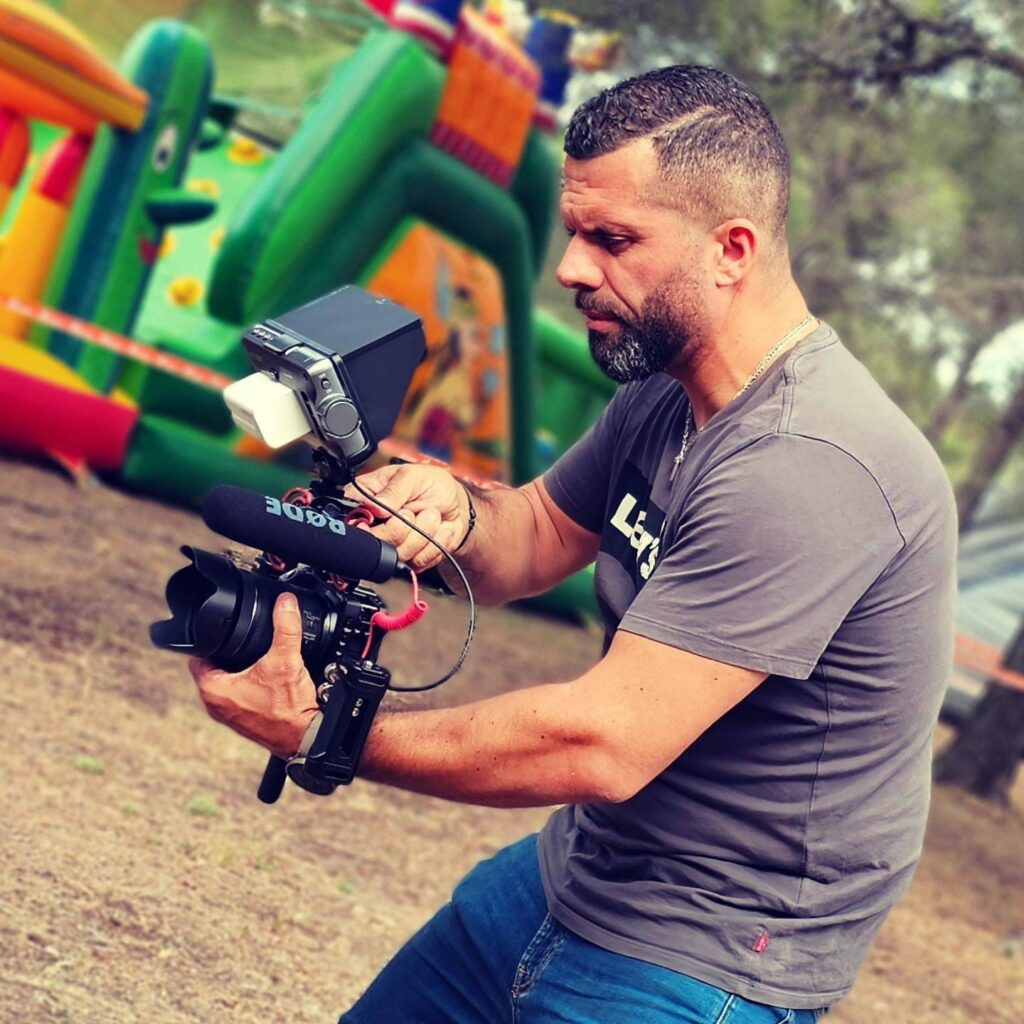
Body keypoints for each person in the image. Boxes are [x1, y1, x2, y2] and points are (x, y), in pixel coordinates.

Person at [190, 65, 957, 1023]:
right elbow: (541, 532)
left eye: (613, 240)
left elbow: (603, 742)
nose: (570, 269)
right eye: (573, 232)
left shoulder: (810, 462)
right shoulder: (667, 388)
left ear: (731, 250)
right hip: (568, 875)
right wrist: (453, 510)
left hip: (705, 954)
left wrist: (328, 731)